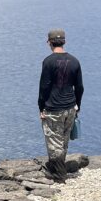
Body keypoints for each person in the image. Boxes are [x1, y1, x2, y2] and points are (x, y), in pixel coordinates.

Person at [38, 28, 84, 183]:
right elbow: (79, 87)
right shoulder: (75, 61)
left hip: (53, 107)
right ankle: (57, 167)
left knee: (53, 141)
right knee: (64, 140)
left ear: (49, 42)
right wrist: (78, 105)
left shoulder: (48, 61)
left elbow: (44, 87)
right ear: (64, 41)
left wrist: (41, 107)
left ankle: (58, 175)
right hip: (70, 106)